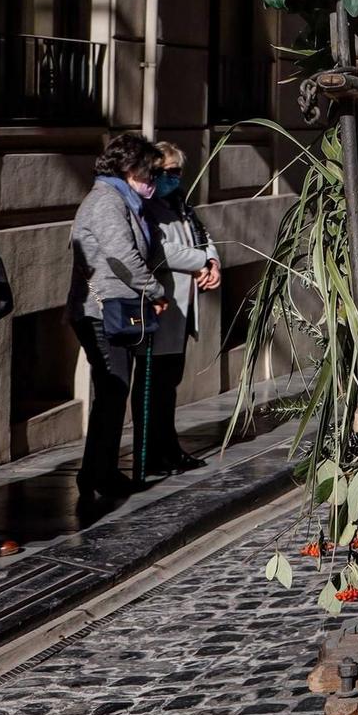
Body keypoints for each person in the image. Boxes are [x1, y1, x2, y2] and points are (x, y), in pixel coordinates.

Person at [66, 133, 171, 509]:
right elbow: (121, 257)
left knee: (113, 392)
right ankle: (98, 473)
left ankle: (98, 470)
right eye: (149, 172)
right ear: (128, 168)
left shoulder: (124, 201)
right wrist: (155, 291)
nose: (154, 181)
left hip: (117, 307)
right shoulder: (106, 201)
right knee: (112, 390)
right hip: (100, 311)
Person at [137, 140, 220, 476]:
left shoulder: (181, 204)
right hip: (161, 307)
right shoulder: (146, 206)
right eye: (166, 172)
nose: (173, 178)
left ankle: (169, 447)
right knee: (154, 385)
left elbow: (203, 236)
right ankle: (153, 453)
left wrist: (212, 260)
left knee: (170, 382)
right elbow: (161, 250)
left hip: (183, 310)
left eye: (177, 172)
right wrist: (201, 261)